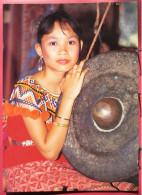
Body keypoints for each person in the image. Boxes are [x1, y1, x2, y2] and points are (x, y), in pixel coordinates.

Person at [3, 11, 138, 192]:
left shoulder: (84, 82)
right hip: (29, 169)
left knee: (126, 188)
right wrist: (67, 97)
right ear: (39, 49)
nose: (63, 50)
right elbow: (49, 152)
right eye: (53, 43)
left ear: (81, 46)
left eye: (71, 42)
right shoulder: (26, 89)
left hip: (70, 168)